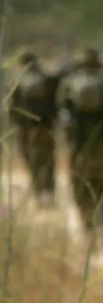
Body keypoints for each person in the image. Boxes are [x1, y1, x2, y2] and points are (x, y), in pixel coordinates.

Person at [57, 47, 103, 248]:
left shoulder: (67, 84)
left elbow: (62, 117)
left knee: (81, 188)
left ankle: (88, 229)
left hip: (78, 149)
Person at [9, 49, 59, 208]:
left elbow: (11, 106)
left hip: (25, 129)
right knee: (48, 160)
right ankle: (49, 192)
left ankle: (38, 193)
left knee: (31, 160)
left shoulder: (16, 81)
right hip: (45, 127)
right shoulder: (47, 79)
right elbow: (55, 102)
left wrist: (17, 124)